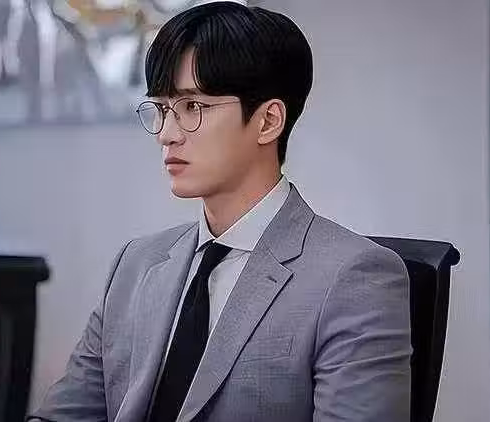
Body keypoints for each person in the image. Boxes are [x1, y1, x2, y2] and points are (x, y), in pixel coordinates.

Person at [28, 2, 411, 421]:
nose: (166, 135)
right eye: (162, 109)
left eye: (193, 108)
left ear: (268, 121)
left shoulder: (353, 277)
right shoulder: (136, 264)